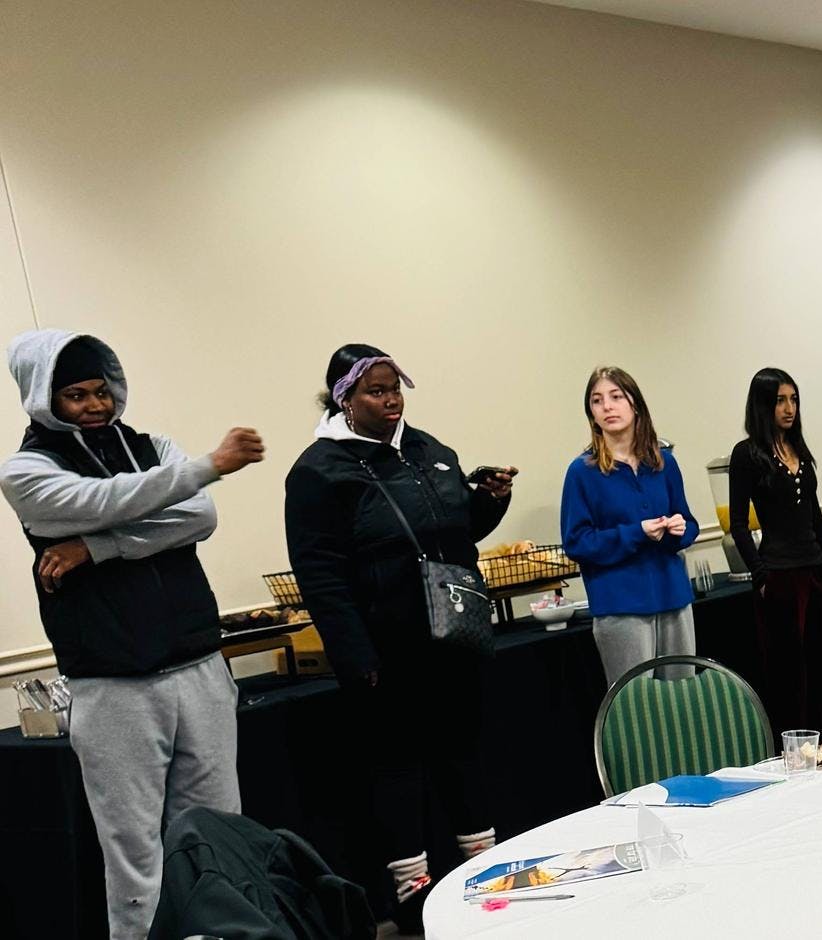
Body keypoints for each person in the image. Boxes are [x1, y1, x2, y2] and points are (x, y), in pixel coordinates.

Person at [0, 331, 262, 939]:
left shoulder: (152, 444)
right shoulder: (26, 470)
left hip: (198, 662)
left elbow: (201, 515)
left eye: (101, 390)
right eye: (74, 395)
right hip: (113, 684)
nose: (95, 405)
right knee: (134, 853)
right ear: (42, 398)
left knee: (217, 832)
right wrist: (206, 467)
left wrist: (98, 548)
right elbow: (101, 499)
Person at [282, 343, 516, 927]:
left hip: (452, 638)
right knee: (397, 771)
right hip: (383, 651)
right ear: (344, 399)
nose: (391, 400)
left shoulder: (429, 449)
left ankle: (482, 880)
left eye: (395, 388)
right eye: (376, 391)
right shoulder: (317, 471)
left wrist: (490, 502)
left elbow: (456, 532)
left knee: (464, 756)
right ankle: (414, 900)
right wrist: (354, 653)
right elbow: (319, 575)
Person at [561, 366, 700, 684]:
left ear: (635, 404)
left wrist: (680, 529)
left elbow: (689, 523)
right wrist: (635, 533)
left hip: (674, 598)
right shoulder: (582, 472)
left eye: (616, 397)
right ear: (591, 414)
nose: (607, 406)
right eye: (597, 401)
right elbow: (577, 542)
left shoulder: (664, 462)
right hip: (620, 606)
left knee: (683, 698)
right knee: (635, 708)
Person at [729, 367, 822, 735]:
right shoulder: (747, 454)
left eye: (793, 399)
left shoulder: (798, 447)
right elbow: (738, 524)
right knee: (790, 672)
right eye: (780, 400)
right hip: (780, 575)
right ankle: (798, 747)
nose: (789, 408)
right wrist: (760, 575)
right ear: (763, 404)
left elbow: (815, 514)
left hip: (817, 570)